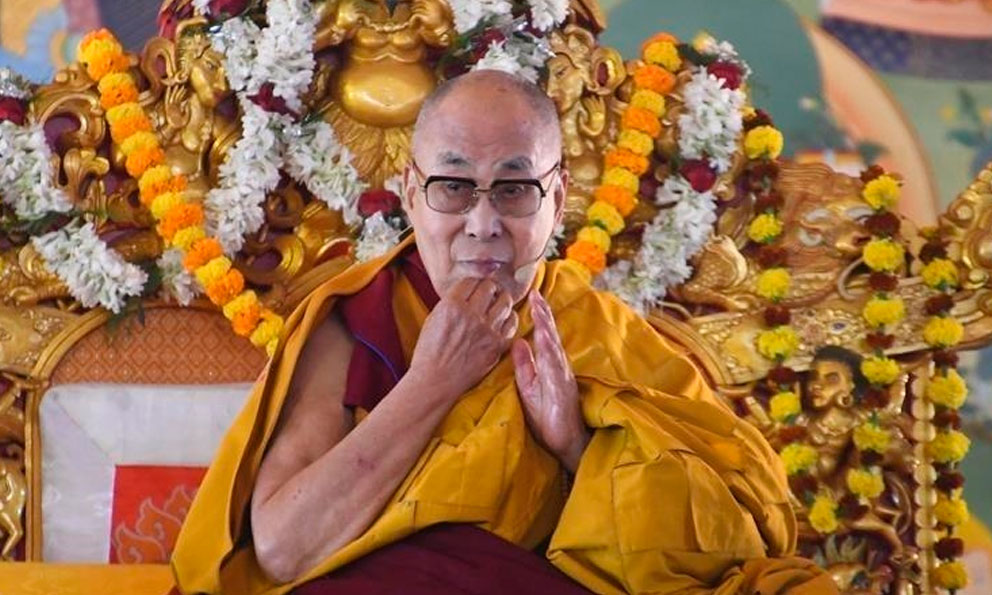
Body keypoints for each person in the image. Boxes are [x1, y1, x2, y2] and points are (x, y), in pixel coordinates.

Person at [171, 70, 837, 594]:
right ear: (411, 192)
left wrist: (577, 445)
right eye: (454, 186)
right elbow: (283, 547)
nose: (483, 223)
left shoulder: (604, 338)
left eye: (514, 190)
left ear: (558, 198)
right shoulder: (357, 321)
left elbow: (737, 542)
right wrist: (433, 382)